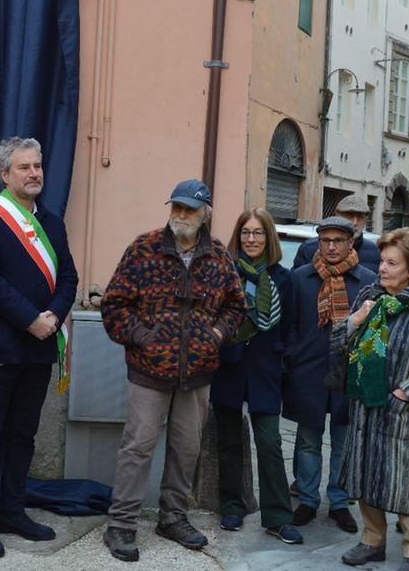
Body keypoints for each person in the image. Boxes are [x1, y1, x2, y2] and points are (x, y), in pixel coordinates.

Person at [100, 179, 244, 563]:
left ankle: (173, 517)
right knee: (138, 446)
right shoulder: (144, 248)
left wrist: (214, 334)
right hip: (150, 369)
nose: (180, 215)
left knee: (186, 449)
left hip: (197, 371)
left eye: (189, 209)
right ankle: (121, 523)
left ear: (205, 214)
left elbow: (236, 308)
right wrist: (144, 338)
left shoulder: (217, 256)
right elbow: (114, 305)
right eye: (176, 207)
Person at [0, 138, 77, 558]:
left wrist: (53, 316)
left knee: (23, 435)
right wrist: (31, 318)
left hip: (38, 347)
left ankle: (11, 509)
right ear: (5, 174)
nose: (34, 173)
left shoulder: (52, 220)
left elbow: (69, 278)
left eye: (38, 165)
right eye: (24, 167)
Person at [335, 229, 409, 571]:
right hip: (365, 408)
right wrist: (354, 321)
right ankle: (372, 541)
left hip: (404, 413)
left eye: (392, 263)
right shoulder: (368, 298)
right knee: (364, 475)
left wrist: (408, 392)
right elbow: (337, 344)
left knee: (407, 482)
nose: (383, 268)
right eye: (382, 261)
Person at [210, 208, 302, 544]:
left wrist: (282, 354)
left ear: (269, 238)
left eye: (258, 233)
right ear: (238, 236)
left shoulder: (283, 278)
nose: (251, 239)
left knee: (270, 443)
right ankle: (232, 507)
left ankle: (277, 517)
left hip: (265, 370)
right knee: (230, 443)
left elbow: (291, 325)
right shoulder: (224, 273)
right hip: (229, 367)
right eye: (246, 233)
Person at [283, 216, 377, 533]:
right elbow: (290, 324)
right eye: (326, 240)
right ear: (318, 243)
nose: (332, 246)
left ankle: (339, 502)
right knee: (308, 440)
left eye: (339, 240)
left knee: (343, 441)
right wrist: (294, 356)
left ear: (351, 243)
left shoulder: (366, 280)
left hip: (347, 372)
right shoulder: (300, 278)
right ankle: (308, 499)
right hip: (308, 370)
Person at [292, 194, 381, 274]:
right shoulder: (308, 248)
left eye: (360, 217)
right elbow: (295, 285)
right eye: (349, 216)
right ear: (337, 216)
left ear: (366, 219)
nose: (355, 222)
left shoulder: (374, 252)